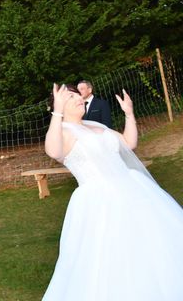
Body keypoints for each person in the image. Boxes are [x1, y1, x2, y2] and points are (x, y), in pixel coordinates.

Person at [42, 83, 183, 300]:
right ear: (60, 106)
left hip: (133, 189)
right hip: (100, 200)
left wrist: (129, 114)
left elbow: (129, 143)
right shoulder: (63, 131)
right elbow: (53, 150)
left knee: (149, 243)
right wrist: (58, 111)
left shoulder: (95, 125)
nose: (79, 98)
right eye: (70, 97)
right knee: (111, 252)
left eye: (77, 95)